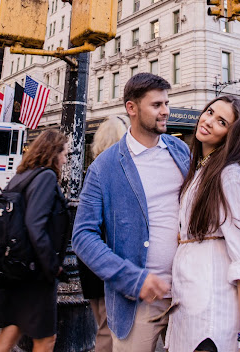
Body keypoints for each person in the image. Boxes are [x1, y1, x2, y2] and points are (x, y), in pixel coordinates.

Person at [72, 73, 190, 352]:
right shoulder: (104, 167)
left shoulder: (181, 151)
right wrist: (133, 279)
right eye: (157, 105)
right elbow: (82, 236)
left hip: (188, 292)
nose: (166, 111)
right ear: (132, 108)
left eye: (167, 103)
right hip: (137, 302)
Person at [166, 95, 240, 352]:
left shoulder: (229, 175)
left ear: (232, 135)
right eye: (209, 112)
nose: (208, 121)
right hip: (188, 303)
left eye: (221, 121)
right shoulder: (200, 170)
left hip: (211, 312)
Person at [0, 129, 70, 352]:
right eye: (64, 153)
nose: (65, 159)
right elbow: (35, 225)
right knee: (45, 340)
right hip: (34, 276)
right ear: (54, 153)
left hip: (14, 272)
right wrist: (52, 267)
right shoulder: (45, 177)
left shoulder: (21, 176)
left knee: (8, 337)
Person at [79, 114, 129, 352]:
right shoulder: (114, 173)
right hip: (111, 261)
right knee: (111, 330)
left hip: (91, 265)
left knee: (104, 325)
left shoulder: (91, 170)